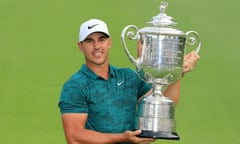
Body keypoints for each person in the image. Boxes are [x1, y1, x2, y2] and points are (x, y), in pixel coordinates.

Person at [58, 18, 200, 144]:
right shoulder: (75, 86)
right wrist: (123, 137)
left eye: (101, 39)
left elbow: (164, 105)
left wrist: (177, 74)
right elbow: (74, 136)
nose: (96, 46)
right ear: (80, 46)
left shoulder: (129, 77)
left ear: (109, 43)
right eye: (89, 41)